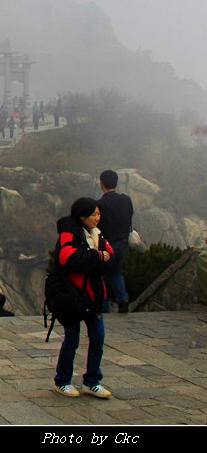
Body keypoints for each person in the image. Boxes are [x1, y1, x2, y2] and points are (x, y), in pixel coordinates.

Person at [53, 197, 114, 399]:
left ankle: (92, 381)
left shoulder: (97, 234)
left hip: (94, 295)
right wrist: (96, 257)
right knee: (72, 339)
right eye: (94, 214)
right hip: (73, 296)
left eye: (98, 214)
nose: (98, 218)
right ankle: (62, 381)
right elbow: (67, 258)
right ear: (82, 216)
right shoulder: (69, 234)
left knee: (98, 338)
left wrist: (96, 258)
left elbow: (110, 255)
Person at [97, 170, 133, 313]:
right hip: (123, 242)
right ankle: (122, 299)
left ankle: (104, 306)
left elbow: (97, 225)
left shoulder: (101, 204)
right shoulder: (126, 200)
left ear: (102, 183)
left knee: (100, 275)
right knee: (117, 272)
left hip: (107, 244)